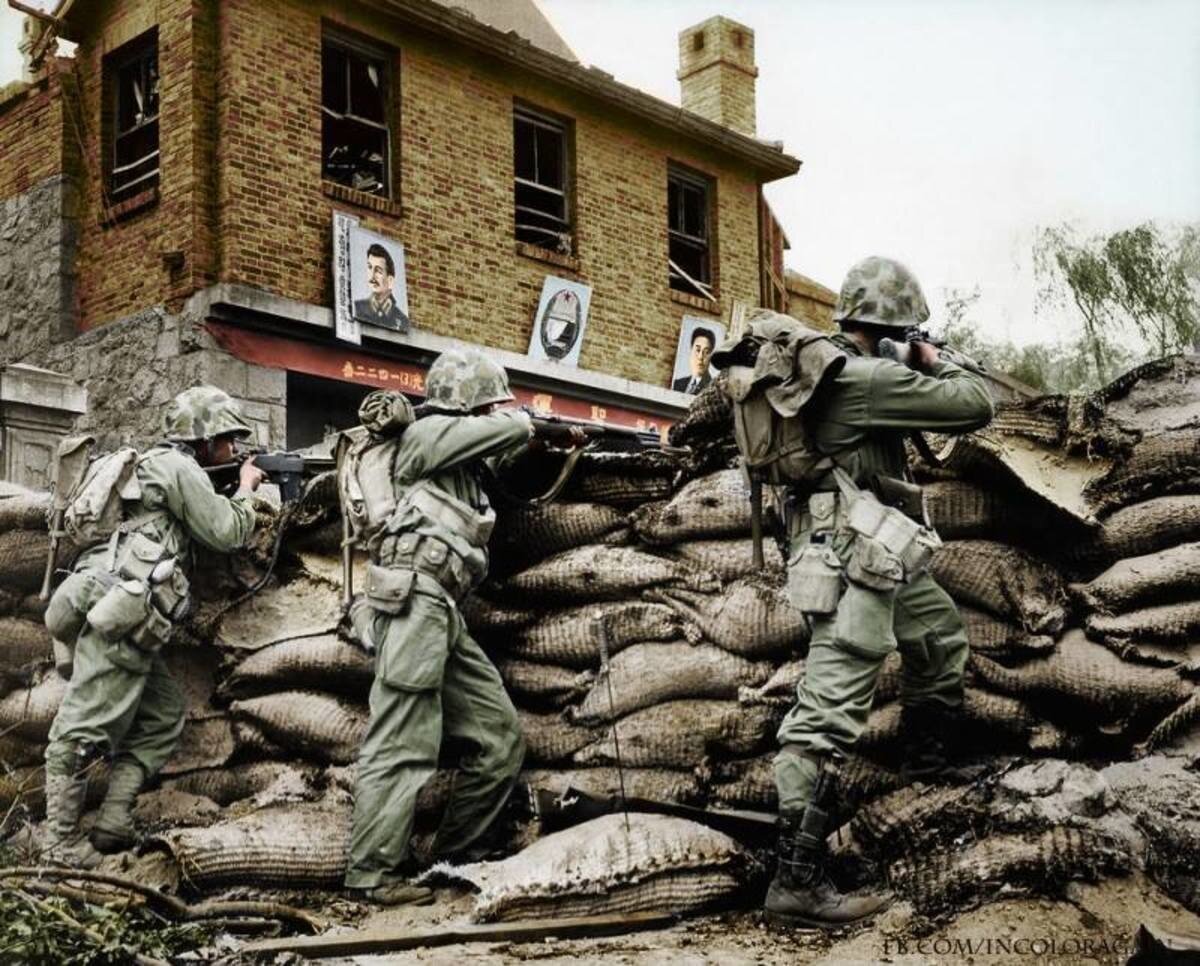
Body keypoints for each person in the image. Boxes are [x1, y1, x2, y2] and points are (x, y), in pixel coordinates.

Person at [765, 256, 994, 927]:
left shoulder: (845, 370)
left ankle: (923, 775)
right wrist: (934, 360)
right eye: (911, 328)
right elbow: (976, 404)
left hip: (879, 545)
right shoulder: (863, 377)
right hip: (848, 557)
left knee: (938, 637)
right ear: (892, 327)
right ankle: (795, 879)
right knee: (828, 711)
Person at [343, 348, 585, 905]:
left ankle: (457, 856)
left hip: (441, 612)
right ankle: (372, 873)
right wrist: (527, 421)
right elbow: (501, 430)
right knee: (403, 737)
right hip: (412, 604)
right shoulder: (425, 436)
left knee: (498, 738)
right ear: (470, 407)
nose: (502, 413)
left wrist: (547, 446)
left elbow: (505, 463)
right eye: (493, 405)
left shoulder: (462, 467)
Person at [41, 386, 264, 868]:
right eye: (227, 441)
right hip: (120, 611)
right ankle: (57, 846)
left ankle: (114, 820)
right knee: (80, 727)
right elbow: (226, 533)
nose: (234, 451)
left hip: (107, 599)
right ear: (202, 441)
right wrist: (246, 491)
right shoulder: (179, 467)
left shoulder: (156, 465)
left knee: (162, 712)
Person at [354, 243, 411, 332]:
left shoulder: (402, 321)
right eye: (369, 267)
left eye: (378, 271)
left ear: (390, 280)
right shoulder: (356, 308)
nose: (372, 276)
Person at [672, 326, 715, 394]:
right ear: (691, 351)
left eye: (706, 352)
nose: (700, 357)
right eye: (698, 350)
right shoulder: (677, 384)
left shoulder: (712, 389)